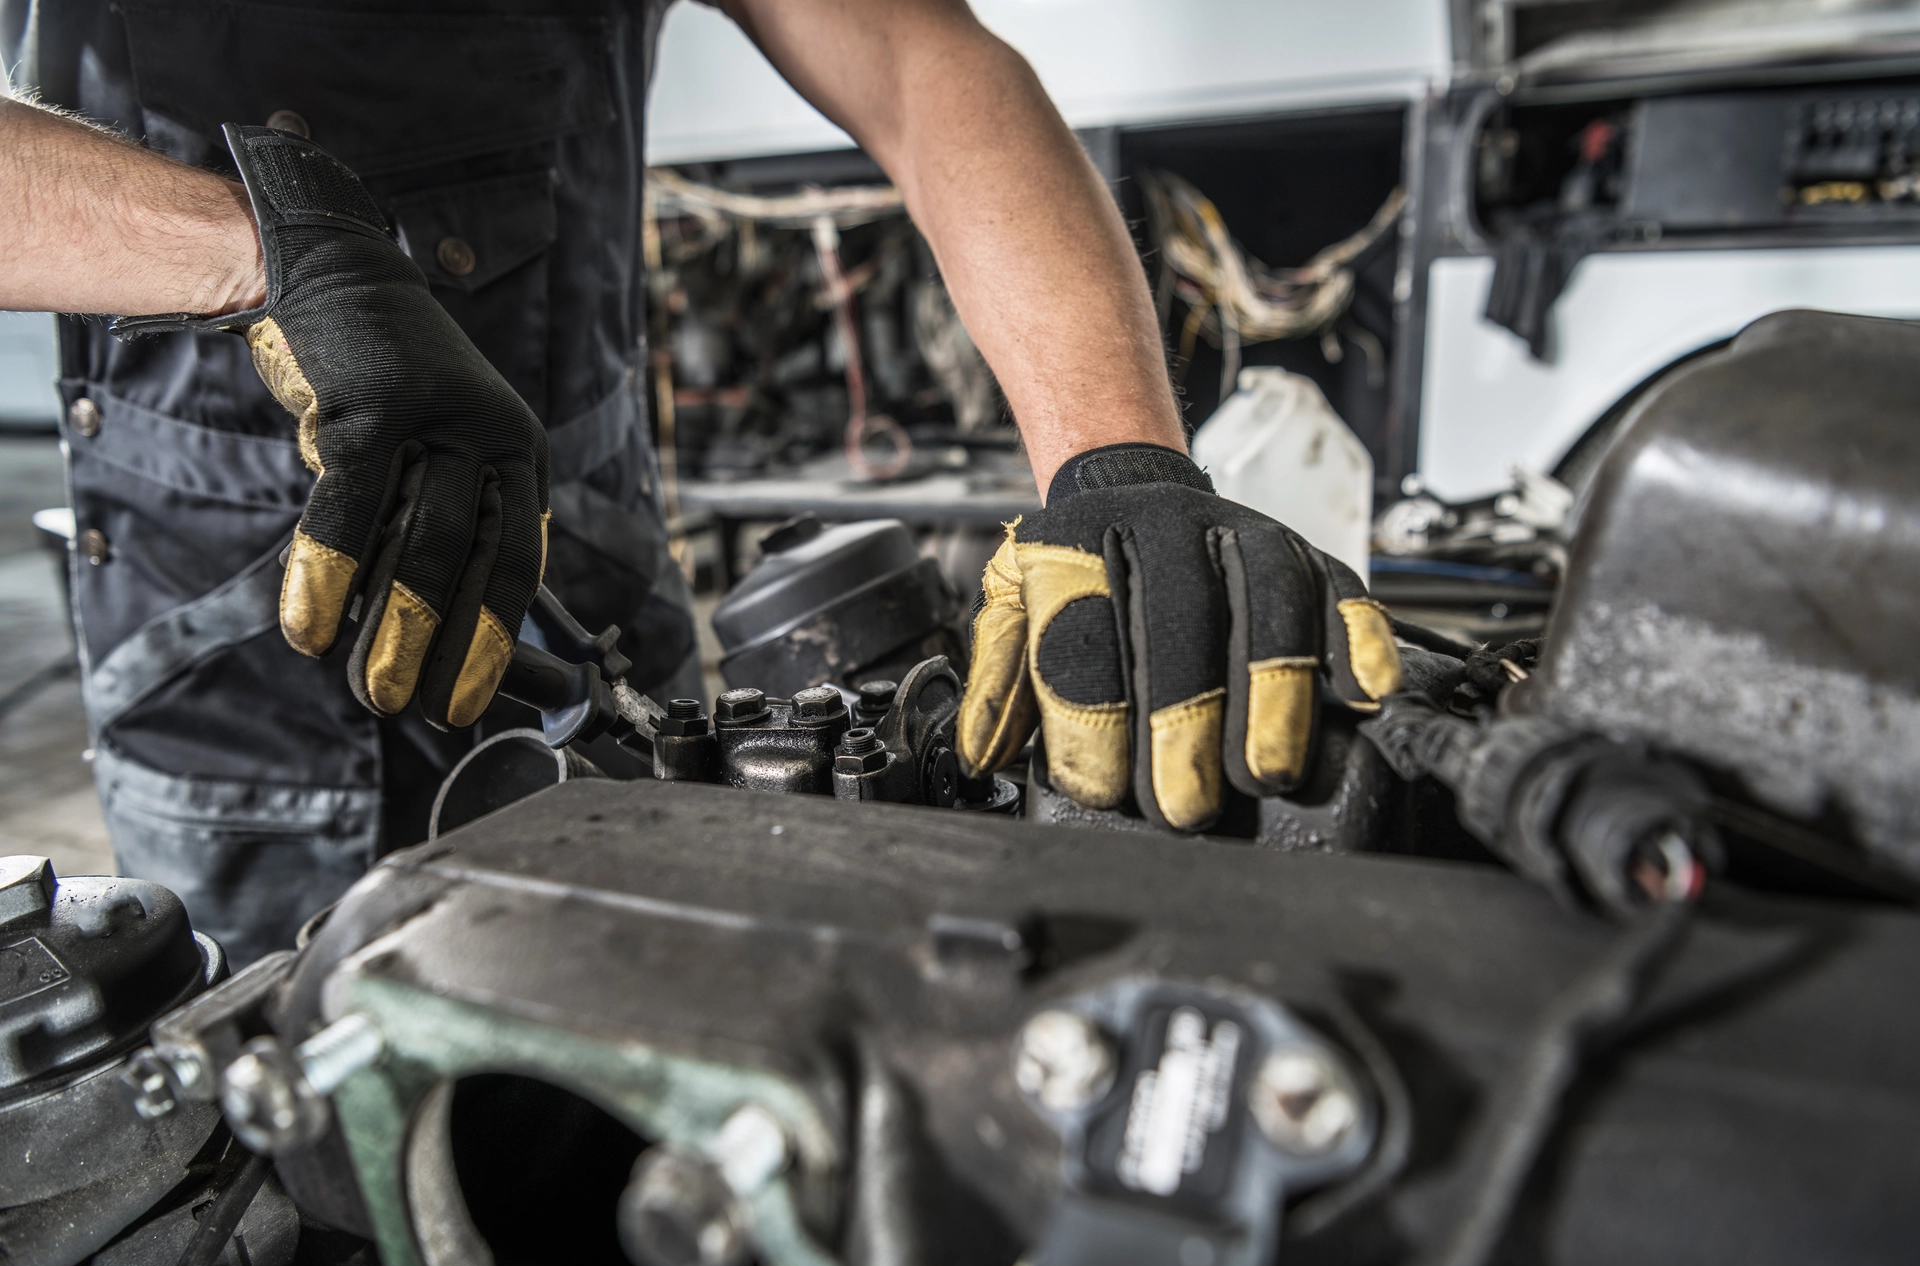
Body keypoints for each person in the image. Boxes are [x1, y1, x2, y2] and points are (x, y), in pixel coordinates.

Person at [0, 0, 1401, 964]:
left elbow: (918, 57)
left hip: (588, 599)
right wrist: (274, 249)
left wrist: (1121, 459)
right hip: (231, 671)